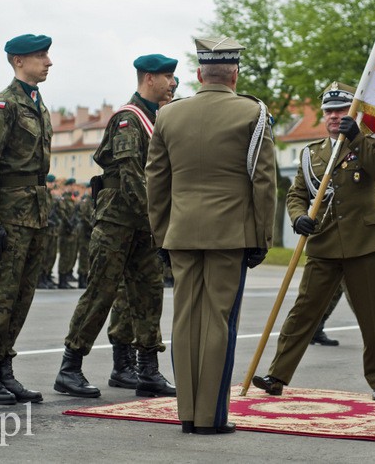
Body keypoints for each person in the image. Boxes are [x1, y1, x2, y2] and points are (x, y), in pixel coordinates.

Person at [146, 36, 277, 435]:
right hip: (230, 235)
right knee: (219, 321)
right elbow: (264, 181)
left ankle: (187, 414)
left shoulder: (168, 115)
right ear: (234, 74)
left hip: (181, 232)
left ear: (200, 73)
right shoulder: (252, 114)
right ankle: (210, 417)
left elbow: (156, 181)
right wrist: (261, 237)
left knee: (184, 319)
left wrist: (161, 234)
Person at [252, 82, 375, 402]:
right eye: (329, 111)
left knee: (373, 318)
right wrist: (298, 217)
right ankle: (277, 375)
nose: (334, 116)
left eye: (341, 110)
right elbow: (296, 195)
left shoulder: (370, 143)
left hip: (365, 243)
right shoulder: (310, 153)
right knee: (303, 313)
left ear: (353, 112)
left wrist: (356, 137)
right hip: (324, 244)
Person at [54, 53, 178, 400]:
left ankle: (147, 370)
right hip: (118, 221)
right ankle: (70, 368)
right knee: (101, 292)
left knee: (149, 292)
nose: (172, 84)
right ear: (148, 79)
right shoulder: (129, 119)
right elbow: (130, 176)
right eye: (167, 77)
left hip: (143, 224)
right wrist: (160, 220)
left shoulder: (158, 118)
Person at [0, 33, 53, 405]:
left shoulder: (37, 104)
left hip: (35, 213)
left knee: (22, 296)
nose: (48, 62)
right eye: (40, 56)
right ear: (18, 61)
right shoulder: (3, 106)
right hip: (9, 213)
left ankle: (4, 367)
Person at [56, 178, 79, 289]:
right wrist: (69, 224)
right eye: (72, 185)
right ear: (67, 186)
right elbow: (62, 214)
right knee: (65, 256)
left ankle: (65, 278)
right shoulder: (63, 200)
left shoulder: (71, 200)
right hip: (65, 231)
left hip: (72, 231)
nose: (74, 187)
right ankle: (62, 280)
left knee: (70, 255)